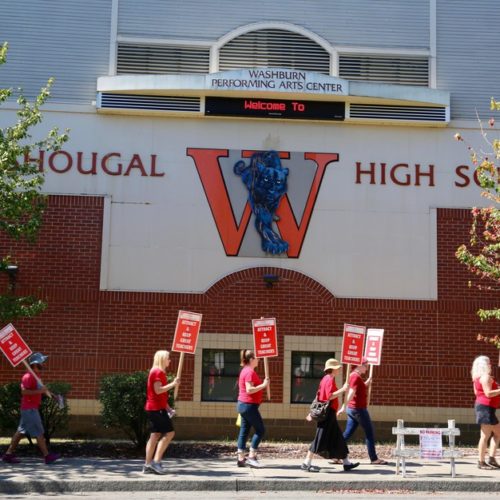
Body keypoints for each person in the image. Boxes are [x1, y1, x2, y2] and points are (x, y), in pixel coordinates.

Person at [301, 358, 360, 472]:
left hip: (330, 413)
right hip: (327, 414)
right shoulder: (328, 379)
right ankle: (306, 462)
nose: (339, 370)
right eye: (337, 368)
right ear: (333, 369)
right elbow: (329, 396)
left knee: (338, 437)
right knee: (320, 437)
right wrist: (343, 389)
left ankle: (346, 462)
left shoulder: (327, 378)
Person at [2, 352, 60, 465]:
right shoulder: (28, 377)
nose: (43, 365)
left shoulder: (36, 376)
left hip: (30, 408)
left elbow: (42, 390)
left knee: (19, 433)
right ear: (35, 364)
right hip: (29, 409)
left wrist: (53, 396)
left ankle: (8, 455)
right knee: (39, 432)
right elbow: (24, 392)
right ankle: (47, 456)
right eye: (41, 363)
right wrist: (40, 391)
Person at [338, 357, 388, 465]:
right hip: (358, 410)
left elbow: (356, 389)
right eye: (366, 365)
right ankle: (374, 459)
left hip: (352, 409)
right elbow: (351, 393)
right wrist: (343, 406)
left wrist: (365, 383)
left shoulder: (353, 376)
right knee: (369, 432)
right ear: (359, 365)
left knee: (347, 433)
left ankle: (334, 454)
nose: (367, 367)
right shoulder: (355, 377)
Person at [143, 350, 180, 475]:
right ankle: (156, 462)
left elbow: (159, 395)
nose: (170, 360)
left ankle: (147, 465)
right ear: (162, 359)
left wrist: (168, 408)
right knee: (169, 433)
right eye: (168, 358)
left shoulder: (156, 372)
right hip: (156, 409)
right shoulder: (158, 372)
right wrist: (173, 384)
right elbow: (158, 390)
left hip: (155, 408)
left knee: (154, 436)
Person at [236, 349, 269, 468]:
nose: (259, 360)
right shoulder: (249, 372)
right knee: (260, 430)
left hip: (243, 405)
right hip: (248, 405)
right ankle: (251, 456)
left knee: (244, 431)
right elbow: (249, 389)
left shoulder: (245, 370)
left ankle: (240, 459)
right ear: (251, 360)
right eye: (257, 358)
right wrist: (263, 385)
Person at [471, 355, 500, 469]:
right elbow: (488, 393)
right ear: (484, 365)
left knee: (497, 434)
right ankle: (481, 462)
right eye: (488, 363)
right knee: (485, 436)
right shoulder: (485, 377)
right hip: (486, 408)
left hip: (484, 407)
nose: (490, 365)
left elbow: (477, 393)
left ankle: (491, 459)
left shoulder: (476, 378)